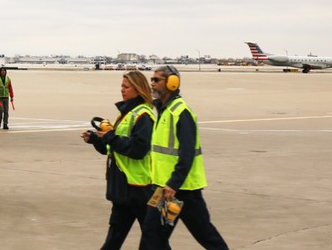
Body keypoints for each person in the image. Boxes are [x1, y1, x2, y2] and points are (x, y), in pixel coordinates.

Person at [142, 65, 228, 250]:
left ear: (172, 83)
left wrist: (173, 183)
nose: (152, 84)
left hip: (182, 189)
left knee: (205, 234)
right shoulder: (164, 111)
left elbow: (187, 153)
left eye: (157, 80)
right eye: (152, 80)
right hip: (164, 189)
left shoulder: (181, 113)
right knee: (153, 234)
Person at [82, 70, 156, 250]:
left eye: (126, 86)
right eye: (121, 86)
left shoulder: (143, 115)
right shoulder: (127, 113)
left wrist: (109, 137)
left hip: (139, 189)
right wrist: (97, 140)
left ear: (137, 89)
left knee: (154, 240)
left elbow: (138, 149)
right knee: (114, 240)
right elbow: (114, 148)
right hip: (124, 189)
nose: (122, 90)